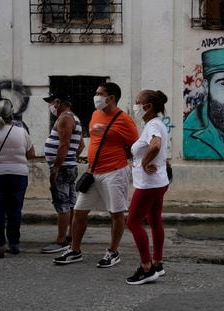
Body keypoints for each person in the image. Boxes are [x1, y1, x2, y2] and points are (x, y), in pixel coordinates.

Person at [53, 82, 139, 267]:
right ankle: (75, 250)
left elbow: (136, 146)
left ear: (111, 98)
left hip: (114, 172)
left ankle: (113, 251)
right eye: (96, 93)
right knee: (79, 211)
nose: (96, 96)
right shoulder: (95, 114)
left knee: (116, 213)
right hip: (93, 172)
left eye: (100, 93)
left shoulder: (124, 119)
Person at [126, 90, 169, 285]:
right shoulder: (157, 123)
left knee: (133, 221)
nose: (135, 106)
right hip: (158, 182)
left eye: (137, 102)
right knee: (154, 219)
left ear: (148, 106)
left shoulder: (152, 125)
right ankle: (157, 263)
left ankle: (146, 268)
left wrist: (144, 163)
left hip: (149, 184)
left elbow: (156, 145)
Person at [41, 93, 85, 253]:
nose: (50, 106)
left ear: (58, 103)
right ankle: (71, 236)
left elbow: (64, 145)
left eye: (51, 103)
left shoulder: (65, 118)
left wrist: (56, 168)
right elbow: (80, 146)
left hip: (63, 167)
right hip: (69, 166)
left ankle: (61, 241)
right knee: (71, 202)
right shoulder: (75, 118)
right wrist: (72, 159)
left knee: (62, 204)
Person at [0, 98, 35, 258]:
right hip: (19, 175)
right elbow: (31, 154)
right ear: (11, 114)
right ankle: (14, 244)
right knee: (15, 210)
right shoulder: (21, 131)